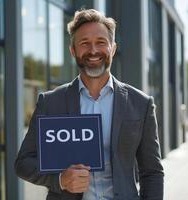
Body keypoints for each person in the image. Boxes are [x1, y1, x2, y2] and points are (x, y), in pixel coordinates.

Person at [15, 9, 164, 200]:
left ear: (113, 48)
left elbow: (152, 172)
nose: (93, 50)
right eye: (84, 43)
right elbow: (23, 162)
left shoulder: (140, 104)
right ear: (73, 50)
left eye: (101, 42)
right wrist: (60, 179)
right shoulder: (51, 102)